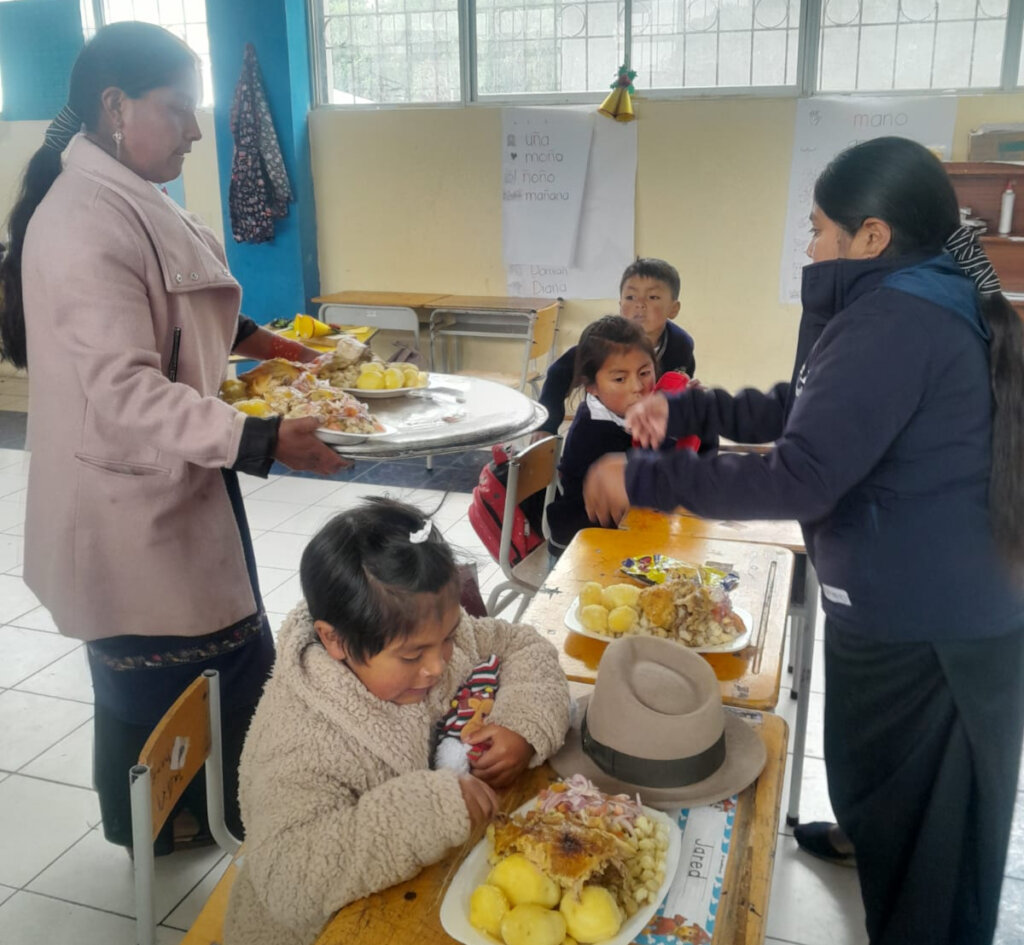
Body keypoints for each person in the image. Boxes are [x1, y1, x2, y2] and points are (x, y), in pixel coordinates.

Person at [583, 137, 1024, 945]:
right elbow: (811, 402)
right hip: (907, 598)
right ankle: (868, 835)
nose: (810, 244)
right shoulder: (905, 299)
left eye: (819, 228)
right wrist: (693, 411)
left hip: (936, 626)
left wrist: (642, 478)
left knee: (937, 856)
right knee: (885, 786)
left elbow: (801, 474)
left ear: (871, 236)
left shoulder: (898, 318)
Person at [0, 23, 346, 854]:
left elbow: (172, 300)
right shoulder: (82, 220)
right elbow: (121, 388)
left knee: (222, 656)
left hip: (170, 481)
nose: (198, 129)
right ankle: (166, 832)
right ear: (116, 106)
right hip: (123, 502)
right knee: (165, 682)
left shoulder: (129, 188)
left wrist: (255, 338)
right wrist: (261, 438)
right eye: (179, 108)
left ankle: (207, 815)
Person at [224, 498, 571, 945]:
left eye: (446, 640)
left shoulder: (426, 630)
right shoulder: (299, 736)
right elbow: (290, 879)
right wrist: (428, 809)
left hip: (425, 887)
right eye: (412, 656)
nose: (437, 667)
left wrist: (522, 725)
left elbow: (523, 645)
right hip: (320, 930)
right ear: (335, 640)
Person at [547, 315, 698, 555]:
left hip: (631, 536)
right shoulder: (593, 433)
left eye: (645, 372)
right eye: (620, 378)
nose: (637, 387)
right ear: (592, 387)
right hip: (583, 551)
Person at [536, 257, 695, 436]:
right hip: (598, 429)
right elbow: (558, 375)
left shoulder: (680, 346)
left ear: (673, 309)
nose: (640, 304)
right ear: (620, 305)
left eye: (653, 297)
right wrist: (546, 427)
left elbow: (680, 384)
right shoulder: (601, 343)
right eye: (630, 297)